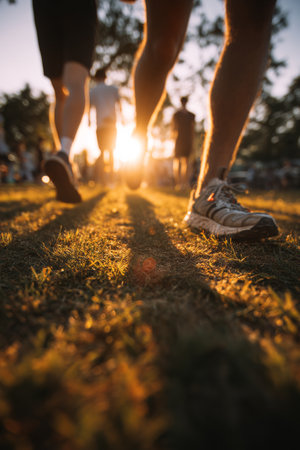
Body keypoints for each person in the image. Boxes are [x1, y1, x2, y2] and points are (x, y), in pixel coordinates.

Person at [128, 0, 278, 240]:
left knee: (254, 20)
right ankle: (139, 130)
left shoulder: (190, 114)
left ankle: (209, 189)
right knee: (163, 45)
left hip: (187, 141)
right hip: (177, 138)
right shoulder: (178, 113)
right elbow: (174, 126)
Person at [32, 0, 97, 203]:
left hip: (43, 6)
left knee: (59, 93)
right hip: (78, 6)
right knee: (75, 82)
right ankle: (64, 155)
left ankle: (63, 157)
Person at [89, 68, 122, 185]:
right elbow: (119, 104)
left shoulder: (93, 91)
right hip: (112, 124)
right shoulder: (113, 89)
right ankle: (112, 179)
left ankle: (103, 180)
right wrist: (122, 118)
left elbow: (89, 107)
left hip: (101, 125)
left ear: (96, 78)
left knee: (103, 152)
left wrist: (88, 120)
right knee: (111, 151)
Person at [172, 96, 195, 190]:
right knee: (178, 162)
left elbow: (192, 129)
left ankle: (185, 183)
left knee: (186, 162)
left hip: (187, 140)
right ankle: (179, 183)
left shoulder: (191, 115)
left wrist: (192, 143)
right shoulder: (176, 115)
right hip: (179, 140)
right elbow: (173, 128)